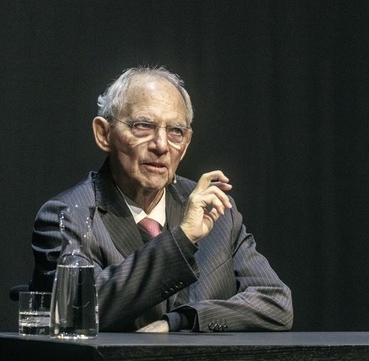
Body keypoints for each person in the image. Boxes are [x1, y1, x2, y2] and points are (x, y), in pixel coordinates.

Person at [30, 66, 293, 332]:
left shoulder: (217, 210)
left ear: (187, 142)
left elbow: (275, 302)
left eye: (176, 131)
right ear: (104, 134)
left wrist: (184, 320)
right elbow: (78, 311)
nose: (161, 145)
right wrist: (183, 238)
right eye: (144, 126)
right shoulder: (68, 215)